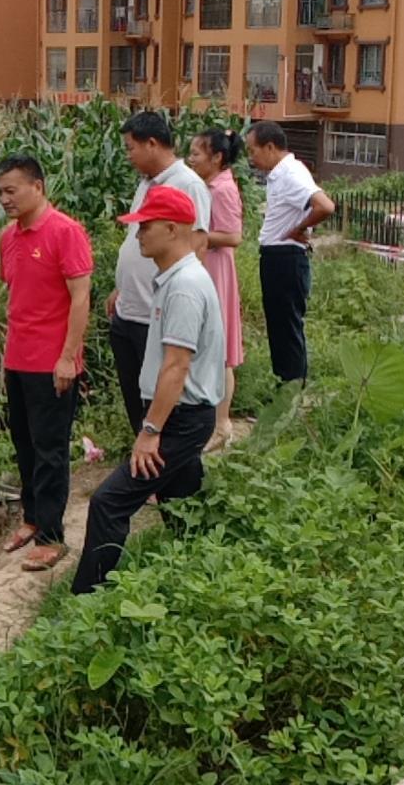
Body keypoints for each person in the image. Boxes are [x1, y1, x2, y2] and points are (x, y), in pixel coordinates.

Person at [74, 186, 226, 595]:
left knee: (109, 502)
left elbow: (177, 366)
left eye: (145, 227)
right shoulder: (177, 279)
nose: (138, 235)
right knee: (183, 504)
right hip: (182, 415)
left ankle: (86, 602)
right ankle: (202, 578)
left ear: (172, 229)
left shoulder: (184, 287)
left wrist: (150, 432)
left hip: (180, 418)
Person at [0, 153, 93, 574]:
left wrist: (69, 357)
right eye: (0, 192)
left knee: (51, 450)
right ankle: (32, 518)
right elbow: (18, 297)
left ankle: (52, 537)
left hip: (53, 362)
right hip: (18, 358)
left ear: (38, 186)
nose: (5, 199)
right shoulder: (9, 238)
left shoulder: (65, 232)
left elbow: (80, 298)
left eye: (11, 190)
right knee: (25, 445)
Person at [108, 111, 212, 435]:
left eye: (130, 148)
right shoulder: (147, 184)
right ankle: (141, 463)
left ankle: (157, 466)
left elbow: (197, 244)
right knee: (133, 395)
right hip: (129, 308)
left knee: (156, 396)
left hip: (156, 312)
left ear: (151, 143)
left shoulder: (187, 184)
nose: (127, 156)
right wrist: (119, 286)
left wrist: (169, 301)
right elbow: (134, 239)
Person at [247, 121, 336, 383]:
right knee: (279, 326)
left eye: (253, 151)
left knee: (287, 327)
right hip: (277, 258)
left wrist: (299, 228)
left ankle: (293, 390)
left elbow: (325, 205)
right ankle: (286, 387)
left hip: (286, 258)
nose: (252, 158)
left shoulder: (290, 174)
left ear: (270, 147)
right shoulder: (282, 173)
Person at [187, 127, 249, 449]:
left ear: (217, 157)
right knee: (207, 349)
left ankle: (222, 424)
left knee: (220, 351)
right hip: (206, 266)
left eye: (197, 154)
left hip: (217, 270)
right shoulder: (209, 185)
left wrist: (196, 235)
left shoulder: (222, 189)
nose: (191, 159)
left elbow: (234, 236)